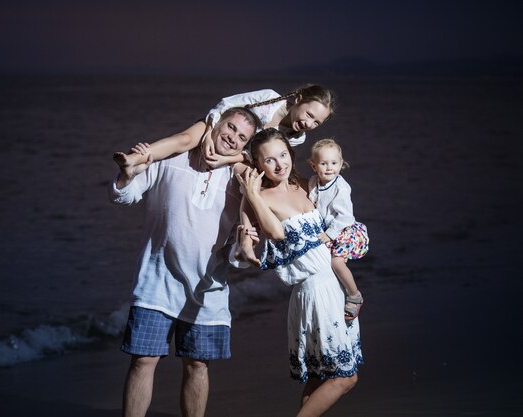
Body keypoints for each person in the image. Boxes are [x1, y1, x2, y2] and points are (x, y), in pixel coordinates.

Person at [108, 107, 261, 417]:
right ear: (216, 123)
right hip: (156, 280)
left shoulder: (239, 181)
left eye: (242, 137)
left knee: (197, 364)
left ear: (245, 147)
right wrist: (126, 173)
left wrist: (244, 253)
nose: (232, 138)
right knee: (143, 359)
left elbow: (235, 248)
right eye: (230, 128)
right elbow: (124, 195)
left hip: (207, 290)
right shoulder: (172, 157)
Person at [233, 128, 363, 417]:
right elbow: (275, 232)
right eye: (269, 160)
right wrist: (250, 194)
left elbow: (337, 207)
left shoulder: (304, 184)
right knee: (345, 378)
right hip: (314, 293)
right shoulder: (263, 197)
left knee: (320, 377)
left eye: (283, 155)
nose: (280, 164)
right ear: (258, 165)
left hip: (332, 287)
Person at [113, 84, 336, 169]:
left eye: (316, 122)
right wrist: (209, 134)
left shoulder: (297, 137)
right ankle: (135, 158)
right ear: (298, 99)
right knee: (185, 139)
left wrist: (227, 160)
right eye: (309, 114)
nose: (309, 123)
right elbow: (227, 104)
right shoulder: (270, 97)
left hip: (239, 153)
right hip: (220, 126)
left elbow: (257, 157)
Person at [307, 138, 369, 321]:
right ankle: (336, 294)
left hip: (345, 230)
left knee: (336, 263)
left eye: (334, 163)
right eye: (323, 163)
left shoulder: (340, 187)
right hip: (329, 229)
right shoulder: (314, 181)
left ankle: (354, 295)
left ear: (341, 164)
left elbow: (345, 216)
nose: (329, 168)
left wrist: (329, 235)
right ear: (313, 166)